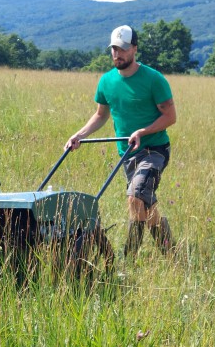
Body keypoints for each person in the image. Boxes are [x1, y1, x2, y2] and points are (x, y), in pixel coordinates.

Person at [65, 25, 177, 258]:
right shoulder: (106, 82)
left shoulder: (154, 79)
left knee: (135, 196)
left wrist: (142, 132)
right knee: (145, 204)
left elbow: (170, 117)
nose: (118, 54)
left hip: (154, 150)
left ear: (134, 49)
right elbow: (100, 115)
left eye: (123, 49)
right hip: (128, 154)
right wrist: (79, 135)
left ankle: (128, 257)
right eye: (114, 49)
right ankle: (171, 251)